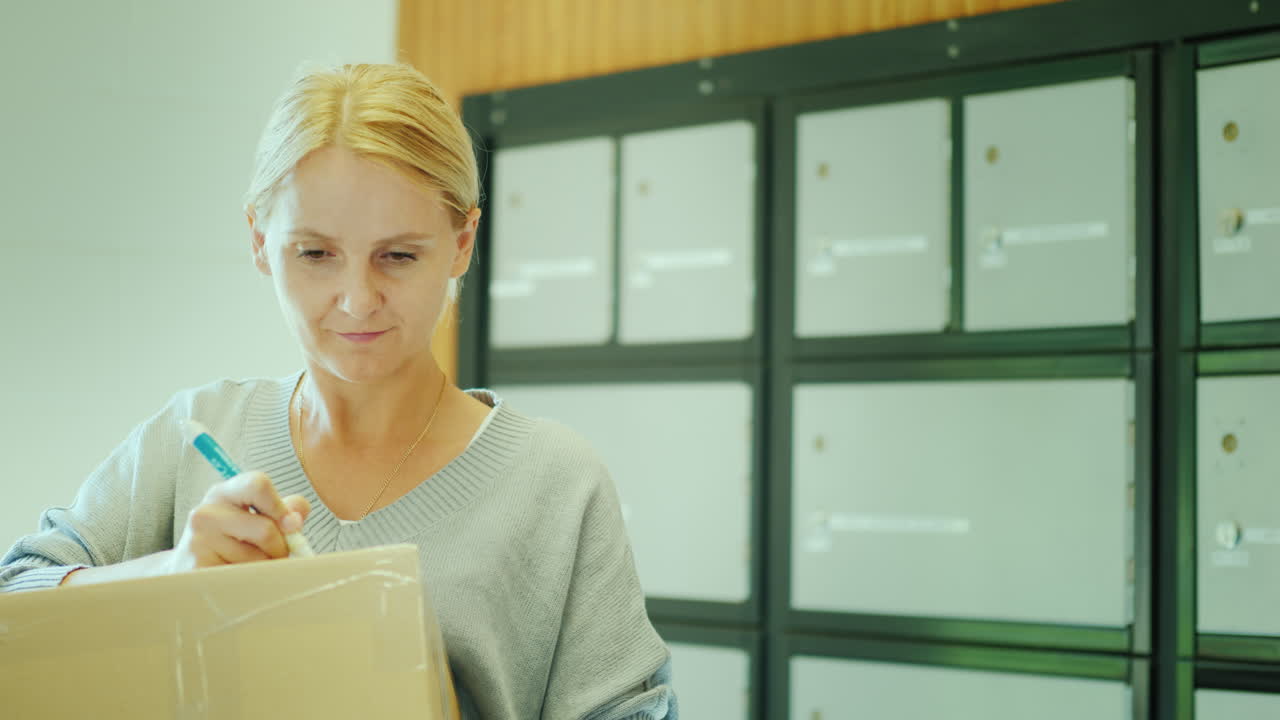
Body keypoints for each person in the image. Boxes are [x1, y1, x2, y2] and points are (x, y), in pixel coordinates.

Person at [0, 63, 676, 720]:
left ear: (463, 243)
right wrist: (167, 580)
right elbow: (15, 597)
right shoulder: (194, 433)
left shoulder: (556, 482)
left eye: (399, 256)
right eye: (315, 254)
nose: (357, 301)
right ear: (261, 243)